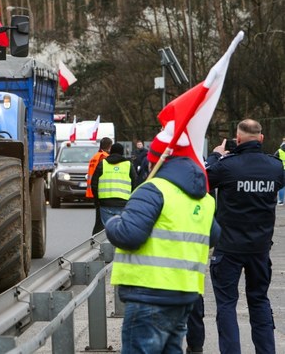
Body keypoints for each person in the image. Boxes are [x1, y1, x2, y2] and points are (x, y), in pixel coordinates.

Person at [105, 127, 220, 354]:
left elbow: (129, 235)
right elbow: (214, 235)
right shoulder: (204, 198)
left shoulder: (152, 190)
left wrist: (113, 223)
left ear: (155, 162)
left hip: (148, 294)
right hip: (184, 295)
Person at [206, 119, 284, 354]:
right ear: (261, 138)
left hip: (228, 247)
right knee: (259, 300)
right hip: (260, 248)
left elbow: (202, 180)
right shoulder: (275, 167)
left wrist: (216, 155)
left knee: (227, 305)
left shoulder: (226, 166)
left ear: (237, 140)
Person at [91, 142, 137, 225]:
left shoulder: (103, 164)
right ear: (122, 152)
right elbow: (135, 183)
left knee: (106, 231)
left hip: (105, 203)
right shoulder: (128, 165)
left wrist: (97, 200)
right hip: (124, 203)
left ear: (111, 151)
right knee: (121, 231)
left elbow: (94, 184)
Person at [86, 137, 112, 235]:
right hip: (101, 191)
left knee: (99, 219)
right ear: (109, 146)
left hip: (94, 191)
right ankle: (96, 240)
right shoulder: (104, 157)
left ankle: (95, 239)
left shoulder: (95, 156)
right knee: (101, 221)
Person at [274, 138, 285, 205]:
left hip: (282, 170)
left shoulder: (279, 151)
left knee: (282, 186)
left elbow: (274, 159)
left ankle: (280, 201)